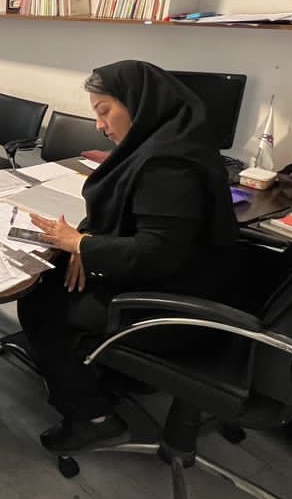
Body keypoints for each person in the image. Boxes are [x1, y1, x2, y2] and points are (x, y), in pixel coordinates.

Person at [17, 60, 239, 453]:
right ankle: (115, 375)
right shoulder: (175, 141)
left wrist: (81, 245)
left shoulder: (167, 165)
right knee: (59, 275)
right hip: (188, 281)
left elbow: (157, 253)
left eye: (104, 111)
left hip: (173, 305)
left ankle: (93, 417)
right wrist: (85, 240)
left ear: (140, 103)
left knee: (40, 301)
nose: (100, 125)